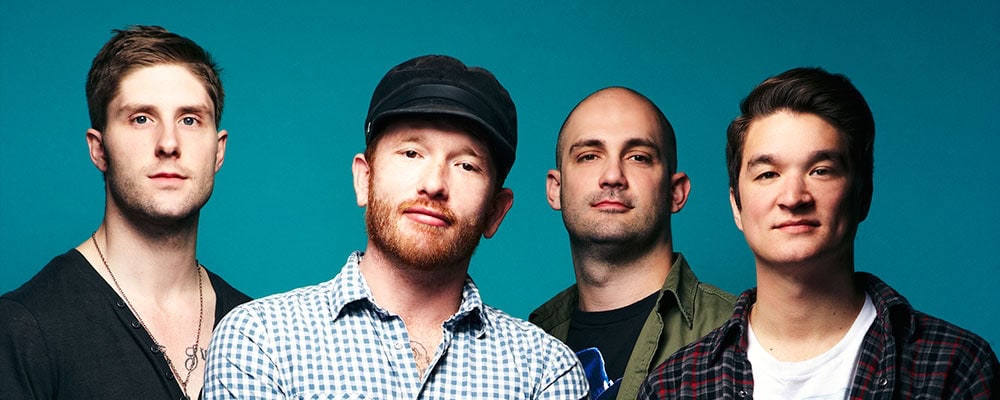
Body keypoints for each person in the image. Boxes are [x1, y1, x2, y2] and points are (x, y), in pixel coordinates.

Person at [203, 55, 588, 399]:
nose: (434, 183)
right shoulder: (260, 341)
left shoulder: (547, 372)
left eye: (466, 165)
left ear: (495, 211)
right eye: (411, 152)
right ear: (364, 180)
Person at [638, 67, 999, 399]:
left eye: (821, 170)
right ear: (737, 206)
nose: (794, 197)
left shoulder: (955, 368)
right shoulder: (675, 385)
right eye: (768, 174)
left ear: (863, 195)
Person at [0, 25, 251, 399]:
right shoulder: (25, 327)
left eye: (189, 119)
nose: (168, 143)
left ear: (218, 151)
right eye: (141, 118)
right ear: (99, 149)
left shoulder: (254, 327)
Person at [529, 87, 736, 399]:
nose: (613, 176)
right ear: (555, 189)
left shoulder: (738, 334)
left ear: (675, 191)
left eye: (638, 157)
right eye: (589, 156)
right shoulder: (529, 344)